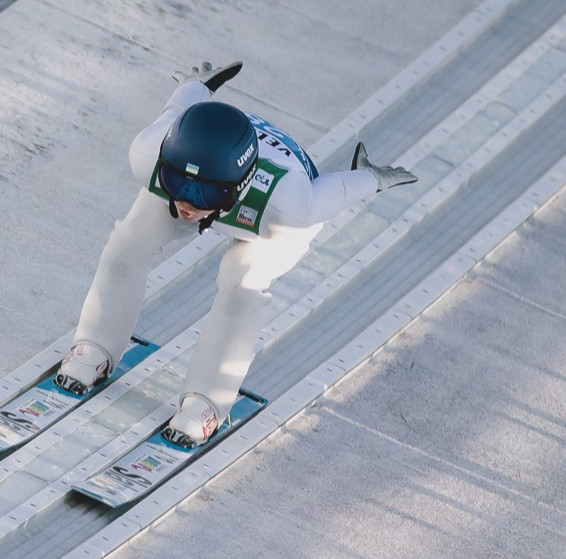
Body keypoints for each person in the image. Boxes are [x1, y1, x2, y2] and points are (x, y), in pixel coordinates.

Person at [54, 61, 418, 448]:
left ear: (237, 187)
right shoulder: (150, 155)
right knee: (130, 240)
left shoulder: (287, 207)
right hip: (220, 171)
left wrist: (371, 177)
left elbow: (337, 190)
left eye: (203, 195)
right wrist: (196, 86)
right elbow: (175, 114)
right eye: (176, 182)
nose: (187, 205)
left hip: (265, 215)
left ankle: (207, 401)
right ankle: (95, 344)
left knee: (242, 280)